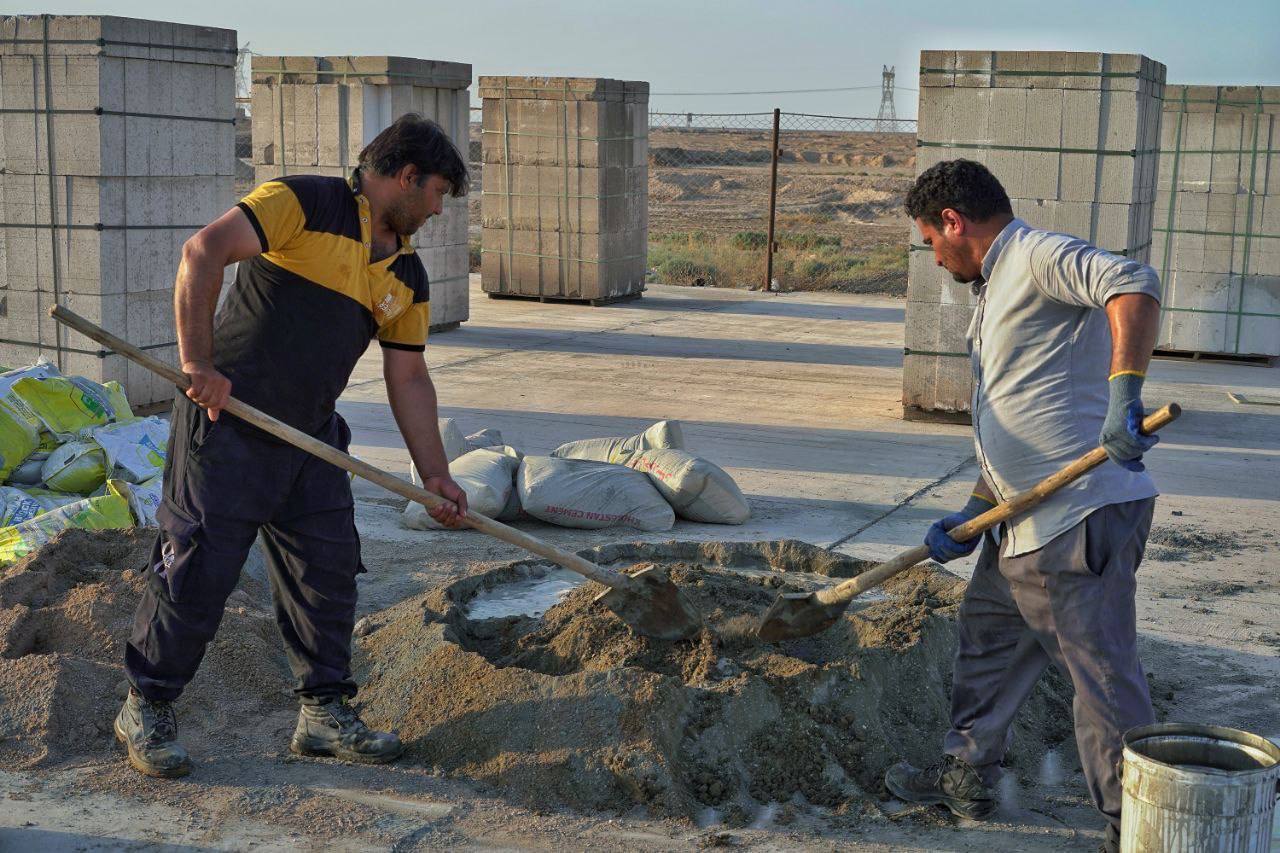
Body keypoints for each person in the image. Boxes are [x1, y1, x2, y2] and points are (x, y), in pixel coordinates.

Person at [114, 114, 471, 778]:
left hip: (309, 439)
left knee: (328, 574)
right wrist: (198, 363)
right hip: (228, 424)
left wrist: (436, 475)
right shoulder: (304, 202)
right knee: (198, 574)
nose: (439, 210)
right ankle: (146, 705)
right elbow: (202, 252)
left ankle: (323, 713)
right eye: (438, 193)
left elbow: (409, 374)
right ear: (407, 175)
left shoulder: (407, 274)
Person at [884, 160, 1162, 853]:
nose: (933, 254)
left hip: (1078, 518)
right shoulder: (993, 289)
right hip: (1019, 523)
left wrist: (1125, 391)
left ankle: (1139, 826)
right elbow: (1023, 413)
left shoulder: (1035, 255)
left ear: (953, 221)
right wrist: (975, 507)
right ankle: (967, 772)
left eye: (929, 239)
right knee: (987, 642)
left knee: (1098, 677)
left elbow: (1132, 282)